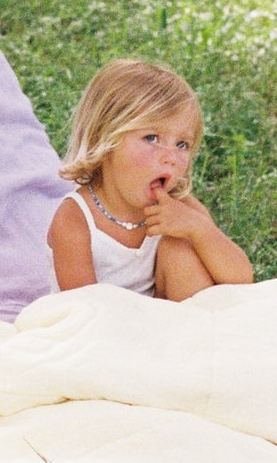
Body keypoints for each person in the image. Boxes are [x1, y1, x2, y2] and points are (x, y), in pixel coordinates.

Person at [47, 58, 252, 302]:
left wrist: (199, 230)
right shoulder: (75, 218)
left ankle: (194, 331)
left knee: (181, 248)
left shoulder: (181, 209)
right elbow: (83, 308)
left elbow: (242, 280)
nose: (171, 158)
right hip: (95, 326)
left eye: (182, 144)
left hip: (161, 324)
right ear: (106, 141)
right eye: (152, 138)